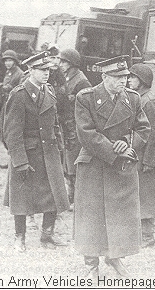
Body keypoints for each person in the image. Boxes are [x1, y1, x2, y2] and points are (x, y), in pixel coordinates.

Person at [74, 55, 150, 279]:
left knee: (121, 216)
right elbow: (86, 134)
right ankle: (91, 264)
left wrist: (127, 145)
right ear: (104, 76)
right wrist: (113, 151)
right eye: (117, 77)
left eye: (125, 77)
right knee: (92, 215)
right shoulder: (85, 97)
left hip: (123, 165)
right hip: (95, 164)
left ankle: (115, 257)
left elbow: (143, 129)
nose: (123, 81)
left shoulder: (133, 99)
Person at [3, 51, 70, 252]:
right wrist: (20, 160)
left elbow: (55, 123)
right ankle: (20, 238)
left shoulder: (49, 91)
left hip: (49, 152)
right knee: (22, 197)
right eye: (41, 70)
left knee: (54, 193)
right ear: (30, 70)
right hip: (28, 153)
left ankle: (47, 235)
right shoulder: (19, 94)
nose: (46, 73)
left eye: (48, 70)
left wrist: (59, 146)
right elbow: (12, 132)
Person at [128, 63, 155, 248]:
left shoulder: (148, 102)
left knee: (146, 198)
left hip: (146, 158)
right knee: (138, 195)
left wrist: (149, 160)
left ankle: (148, 237)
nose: (129, 80)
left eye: (133, 77)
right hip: (138, 155)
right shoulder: (138, 99)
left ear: (142, 81)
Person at [58, 48, 91, 206]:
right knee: (67, 163)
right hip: (67, 125)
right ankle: (71, 196)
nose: (61, 64)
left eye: (64, 62)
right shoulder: (68, 78)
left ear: (72, 64)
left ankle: (79, 200)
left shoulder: (82, 81)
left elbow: (85, 107)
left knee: (74, 164)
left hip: (76, 127)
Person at [0, 50, 24, 143]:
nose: (7, 63)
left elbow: (20, 88)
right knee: (2, 121)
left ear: (15, 61)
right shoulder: (9, 72)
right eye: (6, 61)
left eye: (10, 60)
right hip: (6, 101)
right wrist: (0, 85)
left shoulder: (19, 73)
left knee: (10, 125)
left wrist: (6, 87)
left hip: (14, 103)